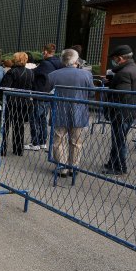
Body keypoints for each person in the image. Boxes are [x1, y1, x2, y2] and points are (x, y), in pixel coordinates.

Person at [47, 49, 95, 177]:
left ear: (62, 60)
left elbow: (47, 93)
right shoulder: (86, 75)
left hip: (59, 111)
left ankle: (61, 167)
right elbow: (91, 93)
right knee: (76, 142)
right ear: (76, 60)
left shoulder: (53, 75)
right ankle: (73, 167)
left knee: (58, 141)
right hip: (79, 112)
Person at [103, 44, 136, 176]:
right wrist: (112, 82)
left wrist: (111, 88)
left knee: (119, 139)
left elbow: (121, 94)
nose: (113, 61)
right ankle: (112, 162)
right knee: (119, 138)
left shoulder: (124, 72)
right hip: (131, 110)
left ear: (120, 58)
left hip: (121, 112)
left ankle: (120, 167)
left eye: (114, 59)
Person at [27, 44, 63, 151]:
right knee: (43, 119)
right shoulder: (58, 63)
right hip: (50, 94)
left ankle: (35, 143)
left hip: (40, 93)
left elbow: (34, 73)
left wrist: (31, 69)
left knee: (35, 118)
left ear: (46, 52)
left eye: (43, 51)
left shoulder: (45, 64)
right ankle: (42, 142)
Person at [0, 52, 33, 156]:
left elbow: (4, 87)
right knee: (19, 125)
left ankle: (3, 149)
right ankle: (18, 149)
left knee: (5, 125)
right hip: (24, 102)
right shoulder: (30, 73)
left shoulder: (11, 72)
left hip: (10, 102)